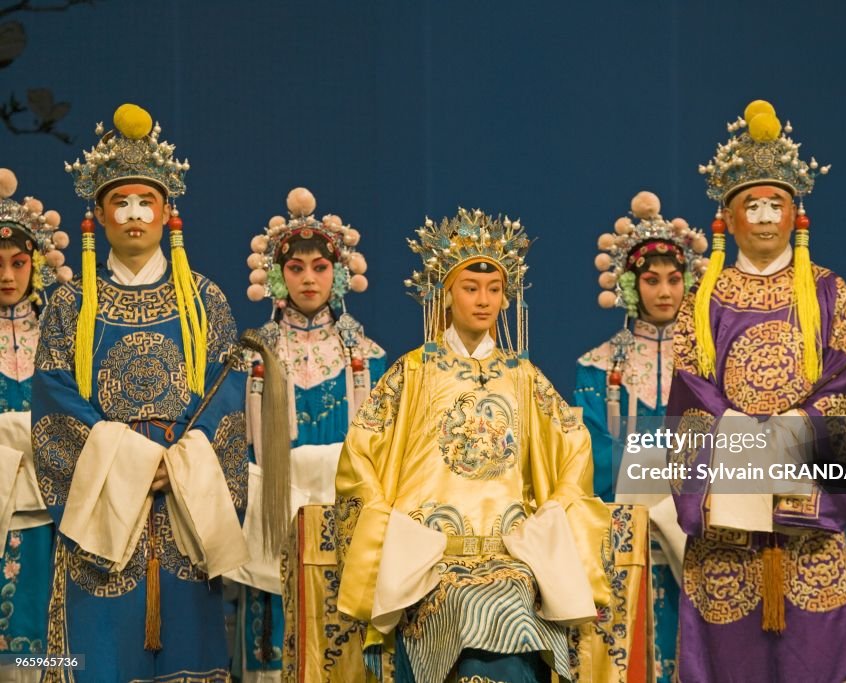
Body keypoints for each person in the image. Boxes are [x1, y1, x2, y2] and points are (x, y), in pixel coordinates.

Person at [334, 208, 610, 683]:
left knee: (515, 602)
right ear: (445, 293)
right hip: (429, 558)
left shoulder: (522, 376)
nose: (483, 300)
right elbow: (360, 453)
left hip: (510, 556)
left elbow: (574, 445)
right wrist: (391, 532)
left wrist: (552, 514)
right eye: (470, 287)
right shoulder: (413, 372)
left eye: (494, 289)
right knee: (464, 603)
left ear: (507, 298)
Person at [32, 104, 249, 682]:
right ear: (98, 214)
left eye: (145, 202)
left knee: (190, 649)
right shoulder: (70, 304)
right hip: (102, 505)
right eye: (120, 202)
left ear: (166, 212)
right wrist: (131, 464)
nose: (134, 215)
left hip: (184, 501)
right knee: (100, 651)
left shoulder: (205, 301)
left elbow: (226, 399)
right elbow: (54, 399)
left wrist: (175, 467)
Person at [668, 100, 846, 681]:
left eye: (774, 204)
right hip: (727, 517)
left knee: (815, 656)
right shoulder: (704, 298)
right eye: (749, 204)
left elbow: (843, 392)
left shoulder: (830, 293)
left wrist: (796, 428)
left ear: (794, 215)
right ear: (726, 219)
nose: (761, 217)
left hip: (807, 516)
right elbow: (689, 398)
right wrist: (740, 435)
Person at [227, 187, 386, 681]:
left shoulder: (368, 355)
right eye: (296, 268)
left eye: (320, 267)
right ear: (277, 275)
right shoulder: (252, 356)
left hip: (346, 514)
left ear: (339, 273)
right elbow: (236, 444)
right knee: (274, 637)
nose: (309, 279)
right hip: (273, 511)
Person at [574, 190, 705, 682]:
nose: (664, 291)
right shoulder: (597, 365)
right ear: (629, 285)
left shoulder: (710, 364)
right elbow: (588, 452)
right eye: (651, 280)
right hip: (623, 530)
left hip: (697, 527)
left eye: (674, 279)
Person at [0, 167, 72, 678]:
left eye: (19, 262)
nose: (7, 274)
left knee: (53, 641)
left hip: (53, 508)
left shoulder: (62, 338)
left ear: (36, 266)